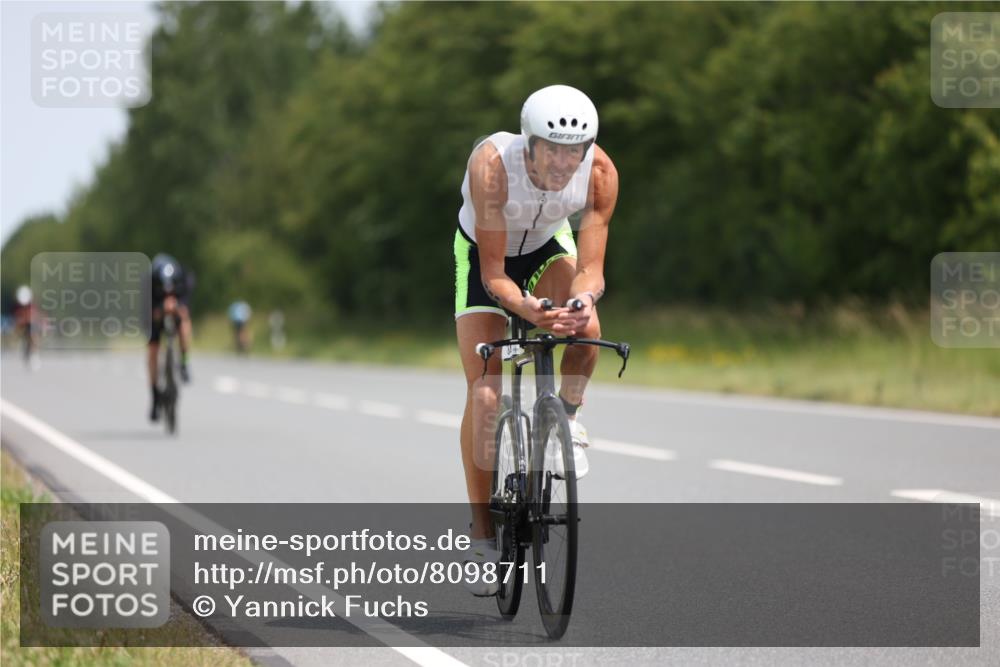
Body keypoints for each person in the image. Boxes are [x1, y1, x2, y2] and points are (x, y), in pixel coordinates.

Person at [454, 85, 619, 595]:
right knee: (486, 391)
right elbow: (496, 275)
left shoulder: (599, 174)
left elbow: (591, 272)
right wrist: (526, 308)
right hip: (488, 254)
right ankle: (482, 535)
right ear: (528, 142)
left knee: (587, 329)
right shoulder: (492, 169)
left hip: (549, 243)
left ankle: (567, 417)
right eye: (552, 148)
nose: (563, 161)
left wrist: (581, 301)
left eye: (575, 149)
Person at [148, 253, 193, 421]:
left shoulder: (182, 277)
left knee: (184, 322)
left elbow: (187, 299)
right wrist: (156, 312)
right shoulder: (149, 283)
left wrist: (181, 307)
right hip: (155, 310)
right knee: (152, 350)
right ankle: (154, 396)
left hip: (176, 307)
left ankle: (184, 362)